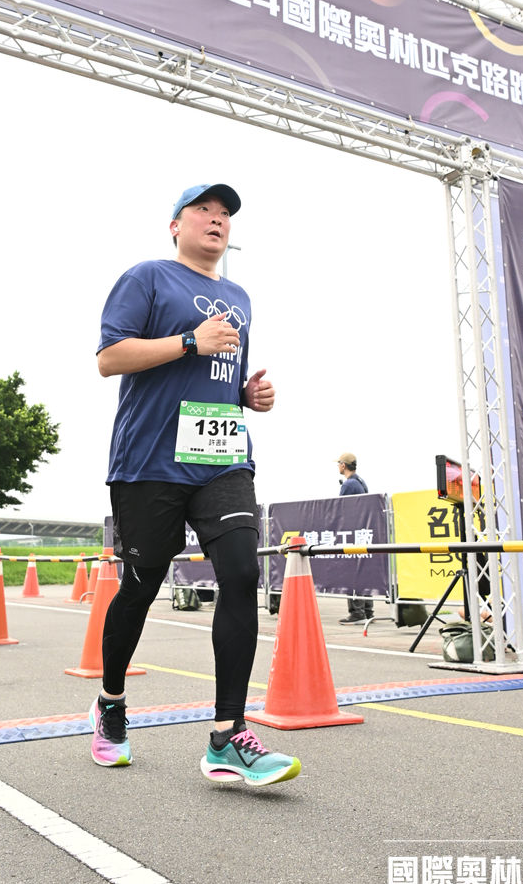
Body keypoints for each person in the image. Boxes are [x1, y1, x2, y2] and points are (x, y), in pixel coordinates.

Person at [92, 181, 301, 788]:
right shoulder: (147, 277)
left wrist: (247, 395)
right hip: (150, 461)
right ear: (175, 226)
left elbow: (219, 374)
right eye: (203, 210)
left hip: (223, 460)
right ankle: (110, 703)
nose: (216, 219)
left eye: (224, 213)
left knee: (240, 573)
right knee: (140, 586)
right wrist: (189, 340)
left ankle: (227, 735)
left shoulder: (239, 297)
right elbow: (109, 358)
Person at [336, 452, 374, 625]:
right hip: (362, 533)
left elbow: (341, 510)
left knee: (353, 573)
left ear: (343, 465)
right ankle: (368, 611)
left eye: (339, 464)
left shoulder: (349, 485)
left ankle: (357, 612)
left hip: (352, 533)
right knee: (363, 572)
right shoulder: (360, 482)